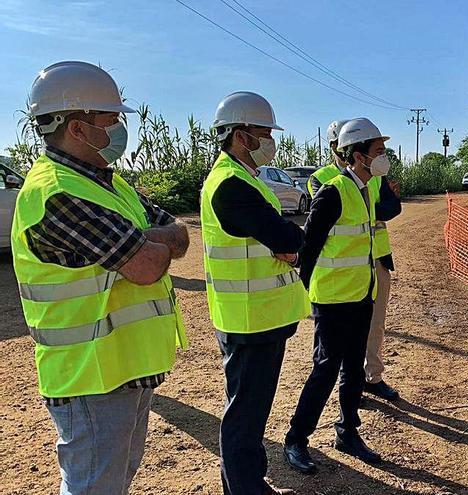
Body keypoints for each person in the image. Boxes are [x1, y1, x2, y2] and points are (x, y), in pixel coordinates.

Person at [11, 61, 189, 494]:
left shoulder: (108, 184)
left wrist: (140, 242)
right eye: (112, 120)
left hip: (125, 368)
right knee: (95, 487)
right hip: (92, 377)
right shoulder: (57, 193)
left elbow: (180, 236)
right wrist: (143, 246)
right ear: (77, 127)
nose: (120, 129)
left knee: (115, 479)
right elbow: (146, 267)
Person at [201, 92, 311, 495]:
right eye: (265, 133)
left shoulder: (245, 179)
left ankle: (247, 483)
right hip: (249, 318)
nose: (270, 140)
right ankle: (247, 489)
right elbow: (288, 237)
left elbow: (283, 240)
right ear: (242, 135)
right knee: (245, 413)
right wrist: (286, 244)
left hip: (257, 315)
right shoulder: (231, 185)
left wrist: (285, 243)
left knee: (250, 408)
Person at [284, 117, 393, 473]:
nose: (384, 156)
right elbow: (309, 245)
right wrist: (300, 294)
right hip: (331, 300)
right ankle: (296, 439)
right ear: (359, 156)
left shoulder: (367, 191)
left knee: (352, 370)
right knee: (325, 370)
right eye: (378, 151)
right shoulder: (332, 192)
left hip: (361, 295)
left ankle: (347, 431)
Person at [308, 119, 402, 401]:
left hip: (375, 262)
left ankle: (371, 377)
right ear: (336, 148)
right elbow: (323, 219)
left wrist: (365, 205)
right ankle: (339, 383)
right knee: (330, 337)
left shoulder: (373, 174)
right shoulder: (321, 179)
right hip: (338, 268)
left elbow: (393, 207)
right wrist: (367, 205)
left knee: (375, 325)